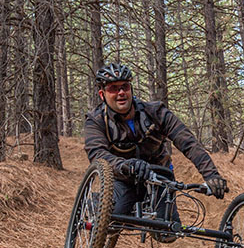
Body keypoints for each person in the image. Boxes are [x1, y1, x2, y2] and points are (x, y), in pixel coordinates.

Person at [84, 63, 228, 235]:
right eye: (113, 89)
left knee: (166, 234)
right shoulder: (96, 120)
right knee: (110, 224)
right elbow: (97, 153)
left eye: (125, 87)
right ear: (102, 94)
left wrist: (211, 175)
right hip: (123, 176)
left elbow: (188, 142)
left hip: (159, 174)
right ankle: (97, 203)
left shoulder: (156, 112)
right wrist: (126, 165)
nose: (121, 92)